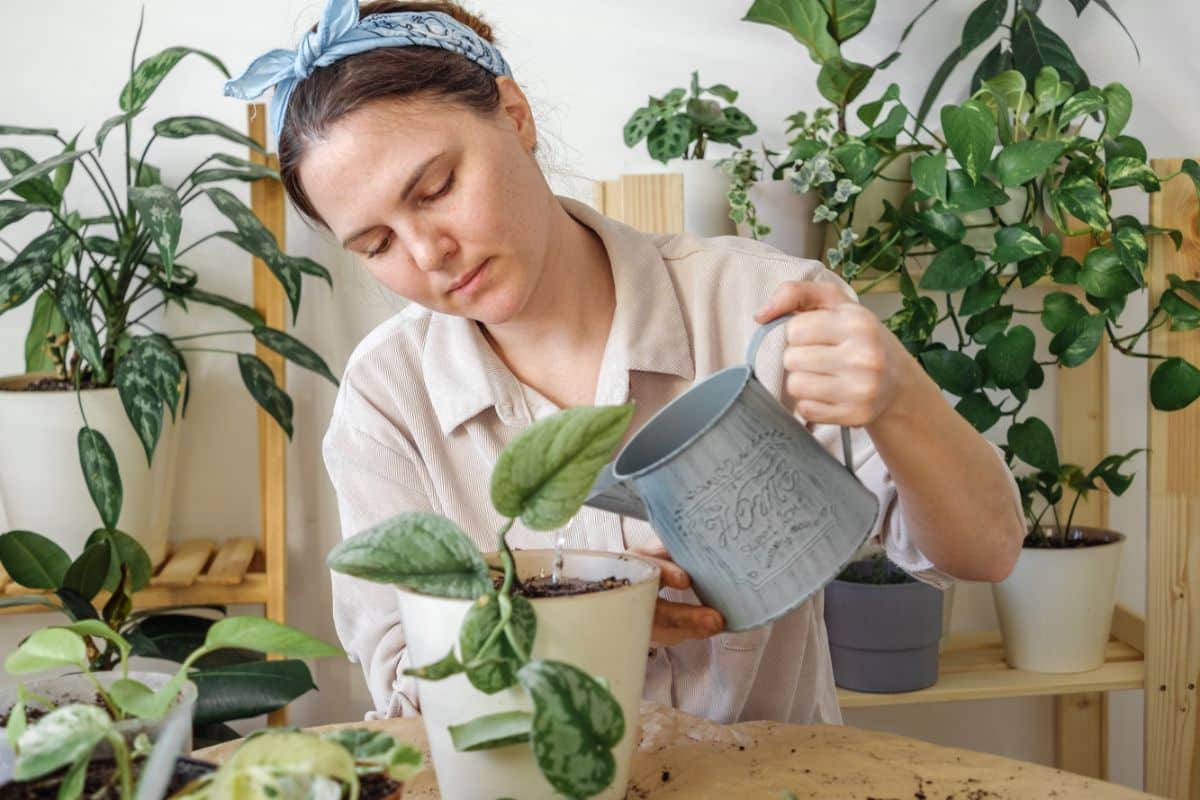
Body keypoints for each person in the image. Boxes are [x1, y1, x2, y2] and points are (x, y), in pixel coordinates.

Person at [225, 0, 1025, 725]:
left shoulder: (757, 304)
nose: (429, 254)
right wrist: (577, 629)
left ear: (514, 113)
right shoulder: (387, 399)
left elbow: (983, 554)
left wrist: (900, 397)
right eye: (376, 244)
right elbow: (404, 692)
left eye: (435, 188)